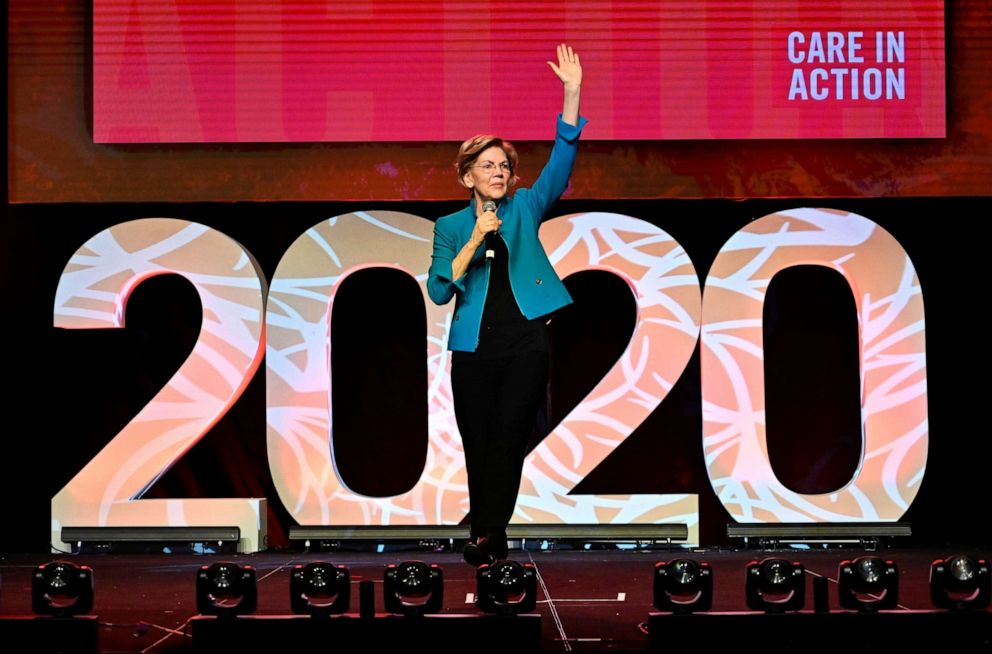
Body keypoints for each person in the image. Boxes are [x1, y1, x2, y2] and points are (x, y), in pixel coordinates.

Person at [427, 44, 586, 566]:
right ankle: (491, 535)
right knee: (478, 441)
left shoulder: (525, 208)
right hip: (473, 346)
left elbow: (560, 165)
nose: (498, 171)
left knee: (508, 435)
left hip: (525, 341)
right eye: (487, 165)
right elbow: (439, 289)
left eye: (504, 165)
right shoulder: (450, 228)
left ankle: (485, 532)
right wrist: (475, 238)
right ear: (466, 175)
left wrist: (571, 93)